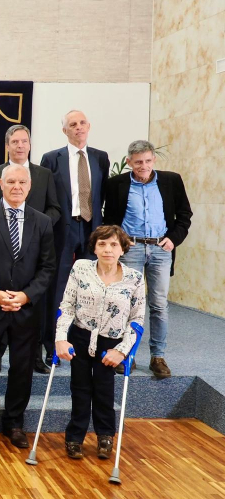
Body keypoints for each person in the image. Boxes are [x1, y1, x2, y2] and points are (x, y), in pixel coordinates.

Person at [0, 164, 56, 449]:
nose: (17, 187)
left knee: (22, 369)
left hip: (26, 311)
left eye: (22, 182)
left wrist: (26, 296)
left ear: (30, 186)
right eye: (11, 182)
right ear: (1, 184)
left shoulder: (42, 222)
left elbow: (47, 266)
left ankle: (14, 423)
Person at [103, 140, 192, 379]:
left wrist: (173, 239)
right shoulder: (116, 184)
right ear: (129, 162)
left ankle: (157, 356)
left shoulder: (171, 181)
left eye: (148, 161)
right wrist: (120, 241)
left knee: (159, 304)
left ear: (154, 160)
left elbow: (185, 215)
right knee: (126, 304)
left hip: (161, 249)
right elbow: (109, 218)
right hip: (130, 249)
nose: (144, 166)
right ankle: (125, 354)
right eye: (138, 162)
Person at [55, 225, 145, 459]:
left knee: (104, 391)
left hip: (111, 343)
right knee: (80, 389)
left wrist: (122, 352)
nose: (108, 249)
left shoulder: (134, 278)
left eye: (114, 244)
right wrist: (60, 339)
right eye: (102, 244)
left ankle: (105, 435)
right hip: (82, 338)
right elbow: (66, 307)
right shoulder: (80, 268)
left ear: (122, 249)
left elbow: (137, 320)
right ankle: (75, 436)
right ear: (94, 247)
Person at [0, 124, 62, 375]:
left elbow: (55, 209)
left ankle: (36, 356)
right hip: (1, 252)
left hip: (34, 249)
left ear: (29, 144)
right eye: (14, 142)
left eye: (24, 141)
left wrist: (34, 226)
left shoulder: (44, 174)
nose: (20, 146)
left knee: (33, 306)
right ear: (7, 145)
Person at [40, 110, 109, 368]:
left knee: (91, 289)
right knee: (57, 288)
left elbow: (101, 195)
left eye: (81, 123)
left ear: (88, 126)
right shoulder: (51, 159)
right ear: (64, 131)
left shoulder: (100, 158)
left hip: (92, 229)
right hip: (63, 229)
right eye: (72, 124)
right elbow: (46, 194)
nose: (78, 128)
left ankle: (84, 343)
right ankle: (52, 345)